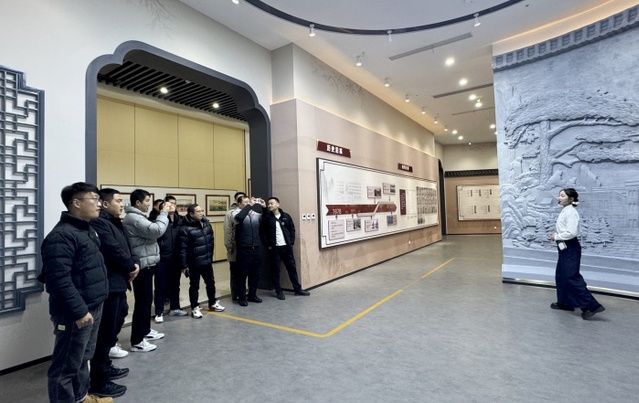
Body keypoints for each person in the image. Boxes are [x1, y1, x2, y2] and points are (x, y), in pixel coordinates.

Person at [40, 182, 111, 403]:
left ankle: (81, 397)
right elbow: (58, 280)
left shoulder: (86, 230)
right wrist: (79, 311)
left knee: (82, 358)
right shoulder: (61, 236)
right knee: (65, 367)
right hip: (75, 311)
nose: (99, 204)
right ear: (76, 203)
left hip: (92, 305)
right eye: (94, 199)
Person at [88, 188, 140, 398]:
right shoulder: (100, 223)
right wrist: (130, 266)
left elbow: (127, 246)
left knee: (116, 321)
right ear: (105, 203)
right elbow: (112, 249)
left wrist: (134, 262)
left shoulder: (116, 222)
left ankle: (105, 366)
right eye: (118, 201)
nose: (122, 204)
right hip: (109, 282)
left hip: (120, 281)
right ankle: (99, 381)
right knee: (104, 332)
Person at [123, 189, 170, 352]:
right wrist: (164, 213)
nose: (149, 204)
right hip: (141, 265)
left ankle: (145, 330)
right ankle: (137, 341)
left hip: (146, 263)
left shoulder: (138, 217)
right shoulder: (134, 218)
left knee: (146, 301)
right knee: (142, 303)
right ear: (138, 202)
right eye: (147, 201)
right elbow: (156, 230)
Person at [549, 188, 605, 320]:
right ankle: (565, 303)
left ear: (571, 199)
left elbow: (571, 233)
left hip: (570, 247)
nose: (559, 198)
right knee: (561, 275)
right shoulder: (566, 210)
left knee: (571, 277)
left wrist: (556, 236)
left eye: (562, 196)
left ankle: (591, 306)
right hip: (565, 246)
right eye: (559, 195)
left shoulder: (571, 212)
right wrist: (557, 236)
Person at [179, 203, 225, 318]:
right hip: (194, 263)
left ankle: (212, 303)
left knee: (211, 283)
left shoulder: (206, 224)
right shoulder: (185, 229)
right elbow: (182, 249)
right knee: (194, 286)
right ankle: (194, 307)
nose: (201, 213)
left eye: (201, 211)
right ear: (191, 214)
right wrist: (184, 265)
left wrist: (210, 256)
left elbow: (211, 241)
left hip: (207, 260)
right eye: (198, 211)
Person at [263, 197, 310, 300]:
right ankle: (278, 291)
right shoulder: (267, 218)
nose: (269, 205)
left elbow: (292, 229)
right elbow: (263, 233)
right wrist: (268, 245)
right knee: (276, 271)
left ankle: (297, 289)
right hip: (275, 248)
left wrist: (291, 242)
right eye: (268, 204)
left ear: (278, 204)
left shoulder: (286, 216)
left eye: (272, 203)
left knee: (292, 269)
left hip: (287, 247)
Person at [157, 195, 188, 321]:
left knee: (175, 285)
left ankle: (175, 308)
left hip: (176, 258)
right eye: (170, 203)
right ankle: (159, 312)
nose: (172, 206)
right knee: (160, 286)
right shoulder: (158, 220)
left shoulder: (180, 221)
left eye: (174, 203)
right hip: (162, 258)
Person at [233, 196, 266, 307]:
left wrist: (264, 208)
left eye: (249, 202)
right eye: (245, 202)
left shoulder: (254, 214)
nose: (248, 204)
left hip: (256, 247)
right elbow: (239, 218)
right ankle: (242, 297)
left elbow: (265, 220)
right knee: (242, 275)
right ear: (239, 204)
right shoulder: (235, 213)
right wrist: (250, 206)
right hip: (244, 248)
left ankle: (252, 294)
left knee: (255, 274)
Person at [224, 192, 246, 300]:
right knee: (235, 271)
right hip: (235, 246)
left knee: (244, 271)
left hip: (245, 247)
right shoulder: (230, 213)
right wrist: (229, 245)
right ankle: (235, 294)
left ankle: (243, 292)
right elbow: (228, 231)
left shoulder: (249, 212)